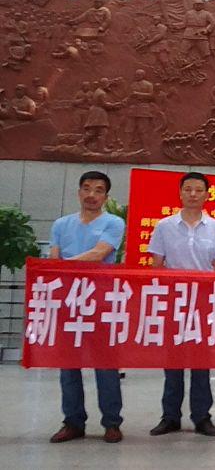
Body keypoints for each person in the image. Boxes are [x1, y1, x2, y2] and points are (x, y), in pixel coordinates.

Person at [148, 172, 215, 438]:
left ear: (207, 195)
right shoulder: (164, 226)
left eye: (198, 190)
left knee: (201, 363)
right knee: (172, 362)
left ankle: (202, 417)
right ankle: (170, 417)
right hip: (174, 302)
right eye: (188, 189)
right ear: (180, 192)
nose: (193, 194)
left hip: (203, 303)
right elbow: (157, 266)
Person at [48, 171, 125, 444]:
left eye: (98, 190)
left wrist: (64, 266)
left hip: (101, 302)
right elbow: (52, 259)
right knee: (68, 366)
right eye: (87, 188)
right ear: (79, 192)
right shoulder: (61, 224)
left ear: (106, 196)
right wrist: (58, 268)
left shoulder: (114, 222)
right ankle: (73, 422)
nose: (92, 195)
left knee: (106, 365)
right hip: (67, 302)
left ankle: (112, 423)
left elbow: (99, 254)